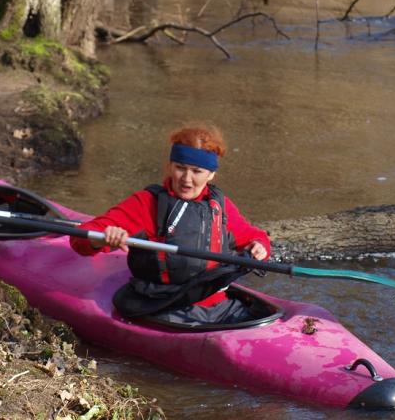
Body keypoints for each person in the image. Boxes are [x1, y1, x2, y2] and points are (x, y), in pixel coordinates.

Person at [70, 124, 271, 326]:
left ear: (211, 174)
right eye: (180, 168)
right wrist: (103, 238)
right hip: (164, 307)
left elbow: (255, 237)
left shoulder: (220, 207)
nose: (186, 179)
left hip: (219, 306)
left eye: (197, 171)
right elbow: (80, 237)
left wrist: (260, 247)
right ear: (170, 166)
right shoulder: (147, 204)